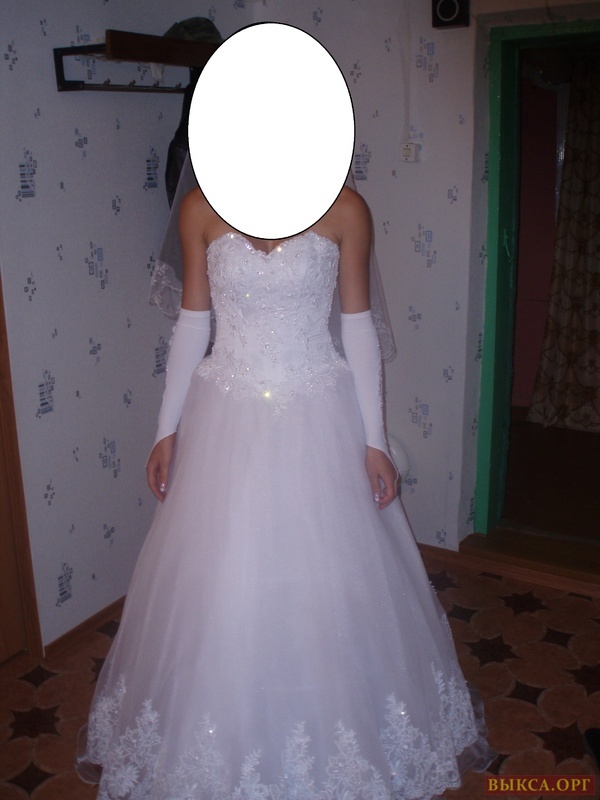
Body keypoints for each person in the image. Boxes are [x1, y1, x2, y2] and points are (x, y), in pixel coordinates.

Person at [76, 176, 494, 799]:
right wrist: (165, 430)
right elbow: (192, 323)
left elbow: (357, 328)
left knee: (324, 580)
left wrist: (375, 440)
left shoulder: (345, 209)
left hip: (317, 412)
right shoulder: (201, 208)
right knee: (223, 579)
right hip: (226, 416)